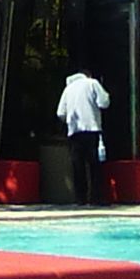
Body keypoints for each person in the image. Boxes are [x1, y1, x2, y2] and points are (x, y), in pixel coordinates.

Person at [55, 64, 110, 207]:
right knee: (94, 166)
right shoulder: (92, 83)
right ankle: (96, 198)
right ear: (89, 75)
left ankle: (81, 199)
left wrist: (69, 121)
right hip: (92, 129)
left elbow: (60, 112)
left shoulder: (68, 89)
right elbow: (104, 103)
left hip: (74, 132)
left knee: (78, 166)